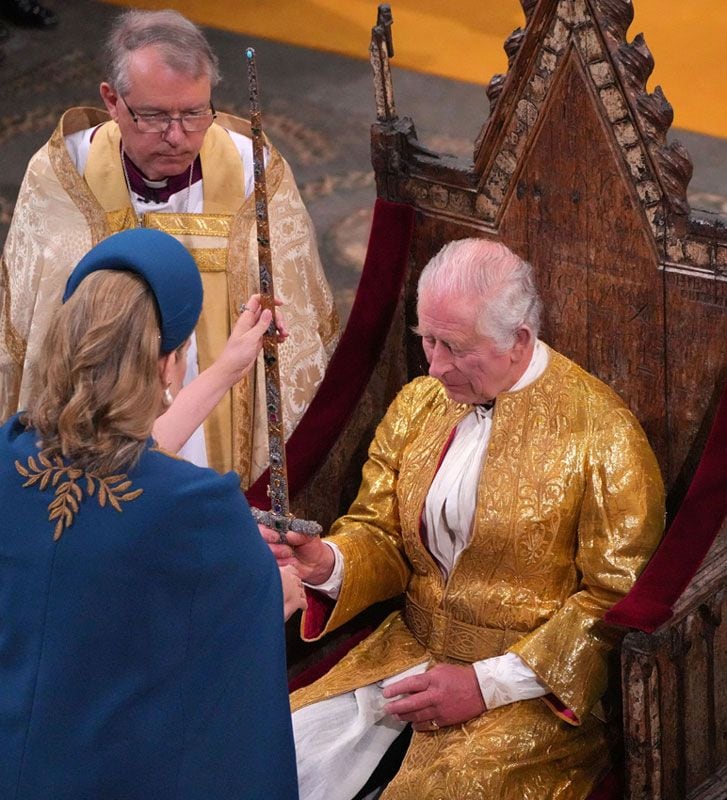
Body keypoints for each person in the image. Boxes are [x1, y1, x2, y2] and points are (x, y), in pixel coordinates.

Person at [261, 238, 665, 800]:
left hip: (528, 697)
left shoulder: (602, 436)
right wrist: (328, 560)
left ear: (518, 339)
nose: (435, 365)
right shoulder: (422, 402)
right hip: (405, 652)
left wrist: (485, 685)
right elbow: (379, 531)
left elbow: (612, 598)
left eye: (453, 346)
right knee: (273, 755)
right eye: (426, 339)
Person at [0, 228, 304, 799]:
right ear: (168, 363)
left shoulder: (7, 454)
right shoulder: (201, 511)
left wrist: (227, 369)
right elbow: (241, 655)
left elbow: (116, 470)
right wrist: (277, 586)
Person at [0, 8, 338, 486]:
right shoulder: (63, 176)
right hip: (98, 424)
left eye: (195, 113)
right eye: (156, 116)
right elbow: (29, 331)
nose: (178, 136)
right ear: (112, 100)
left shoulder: (254, 175)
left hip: (221, 421)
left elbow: (298, 336)